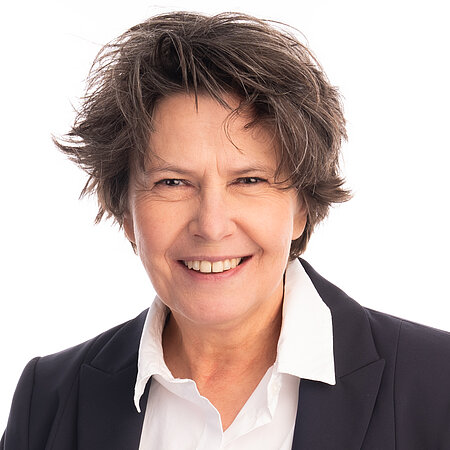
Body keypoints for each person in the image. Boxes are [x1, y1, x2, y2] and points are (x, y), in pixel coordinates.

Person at [2, 11, 450, 450]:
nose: (212, 226)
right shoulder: (48, 401)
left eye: (249, 180)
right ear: (126, 214)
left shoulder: (437, 383)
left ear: (301, 207)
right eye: (172, 183)